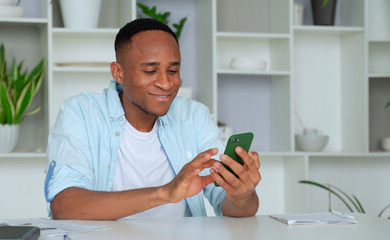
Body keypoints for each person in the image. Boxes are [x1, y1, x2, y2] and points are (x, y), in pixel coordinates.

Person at [44, 18, 261, 220]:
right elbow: (65, 206)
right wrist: (165, 193)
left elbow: (232, 206)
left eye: (173, 70)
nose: (166, 83)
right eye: (150, 71)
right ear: (118, 73)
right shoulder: (81, 113)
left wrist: (242, 197)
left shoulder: (193, 116)